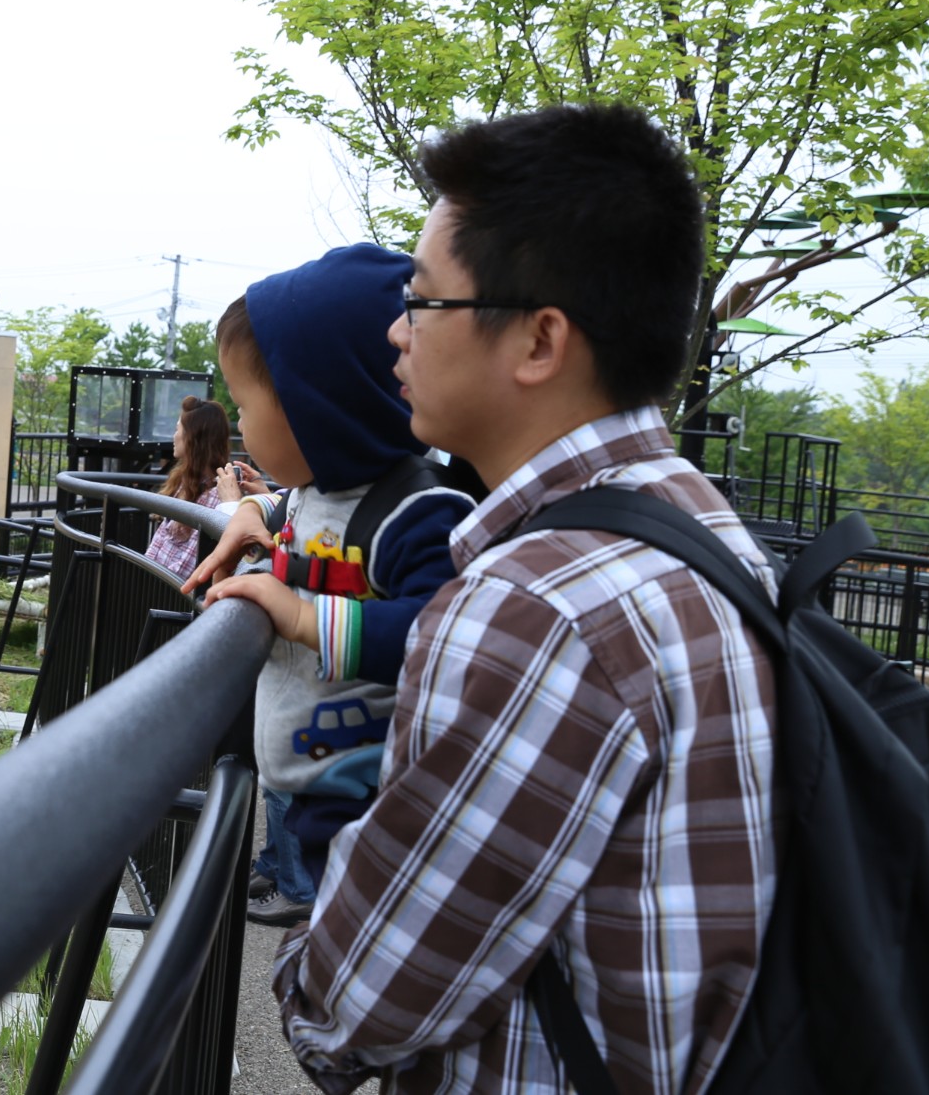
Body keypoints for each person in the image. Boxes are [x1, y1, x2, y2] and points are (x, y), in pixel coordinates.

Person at [263, 104, 776, 1094]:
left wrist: (296, 982)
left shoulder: (536, 605)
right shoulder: (694, 522)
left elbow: (365, 995)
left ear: (538, 340)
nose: (394, 332)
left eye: (421, 301)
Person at [183, 245, 474, 929]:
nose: (241, 425)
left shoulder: (422, 512)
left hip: (367, 797)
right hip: (306, 765)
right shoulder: (317, 493)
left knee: (343, 937)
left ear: (317, 407)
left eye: (248, 404)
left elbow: (438, 636)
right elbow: (288, 512)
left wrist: (301, 617)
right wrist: (250, 513)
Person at [142, 395, 246, 580]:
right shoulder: (186, 481)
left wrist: (145, 579)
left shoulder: (217, 493)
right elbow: (160, 544)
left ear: (192, 438)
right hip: (157, 584)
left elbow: (188, 566)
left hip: (170, 594)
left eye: (177, 429)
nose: (174, 436)